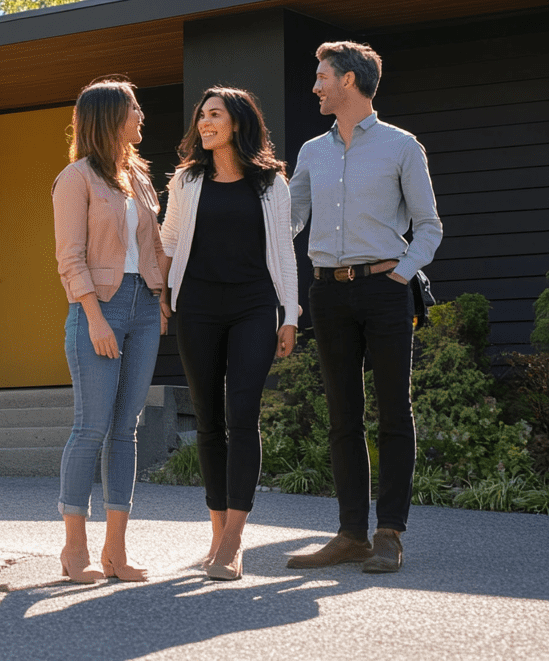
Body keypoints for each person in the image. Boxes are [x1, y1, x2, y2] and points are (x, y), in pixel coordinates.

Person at [287, 41, 442, 574]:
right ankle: (351, 533)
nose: (316, 86)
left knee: (394, 412)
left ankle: (389, 533)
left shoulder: (402, 147)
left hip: (384, 288)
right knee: (342, 416)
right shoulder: (311, 152)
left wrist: (400, 273)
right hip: (328, 292)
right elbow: (290, 220)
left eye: (322, 76)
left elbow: (429, 226)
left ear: (349, 80)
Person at [160, 86, 299, 581]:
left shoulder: (270, 184)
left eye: (214, 114)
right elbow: (169, 239)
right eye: (201, 116)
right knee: (208, 421)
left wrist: (291, 314)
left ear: (237, 122)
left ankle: (236, 541)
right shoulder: (187, 180)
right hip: (196, 306)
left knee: (243, 416)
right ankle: (217, 534)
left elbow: (283, 250)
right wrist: (161, 291)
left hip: (253, 306)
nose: (204, 122)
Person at [52, 77, 170, 583]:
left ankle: (115, 553)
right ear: (109, 118)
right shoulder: (75, 178)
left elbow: (155, 245)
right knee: (91, 428)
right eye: (134, 108)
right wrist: (95, 317)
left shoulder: (138, 177)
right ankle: (73, 550)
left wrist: (161, 299)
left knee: (127, 430)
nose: (142, 115)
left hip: (143, 307)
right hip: (97, 308)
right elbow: (69, 257)